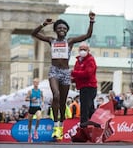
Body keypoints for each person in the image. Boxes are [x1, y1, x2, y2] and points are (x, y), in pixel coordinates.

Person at [31, 11, 95, 139]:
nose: (62, 30)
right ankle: (55, 126)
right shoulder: (51, 40)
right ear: (55, 30)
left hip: (66, 73)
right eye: (59, 28)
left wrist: (91, 21)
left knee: (62, 102)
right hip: (54, 71)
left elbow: (88, 35)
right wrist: (43, 24)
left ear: (67, 31)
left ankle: (61, 126)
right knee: (56, 95)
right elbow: (34, 34)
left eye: (64, 29)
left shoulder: (70, 42)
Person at [71, 42, 98, 127]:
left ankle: (83, 127)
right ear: (78, 50)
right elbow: (78, 75)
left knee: (85, 109)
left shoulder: (90, 60)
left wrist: (73, 73)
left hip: (89, 87)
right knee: (89, 109)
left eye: (85, 49)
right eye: (81, 49)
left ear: (88, 50)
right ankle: (95, 125)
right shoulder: (78, 61)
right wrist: (72, 79)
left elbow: (87, 73)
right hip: (83, 87)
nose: (83, 51)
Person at [25, 78, 44, 143]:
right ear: (33, 83)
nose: (36, 83)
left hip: (37, 107)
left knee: (39, 118)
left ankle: (35, 131)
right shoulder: (30, 91)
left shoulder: (40, 91)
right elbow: (26, 99)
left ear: (38, 83)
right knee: (30, 122)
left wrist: (43, 102)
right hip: (31, 108)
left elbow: (42, 97)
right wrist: (31, 100)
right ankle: (30, 135)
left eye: (37, 82)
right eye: (34, 82)